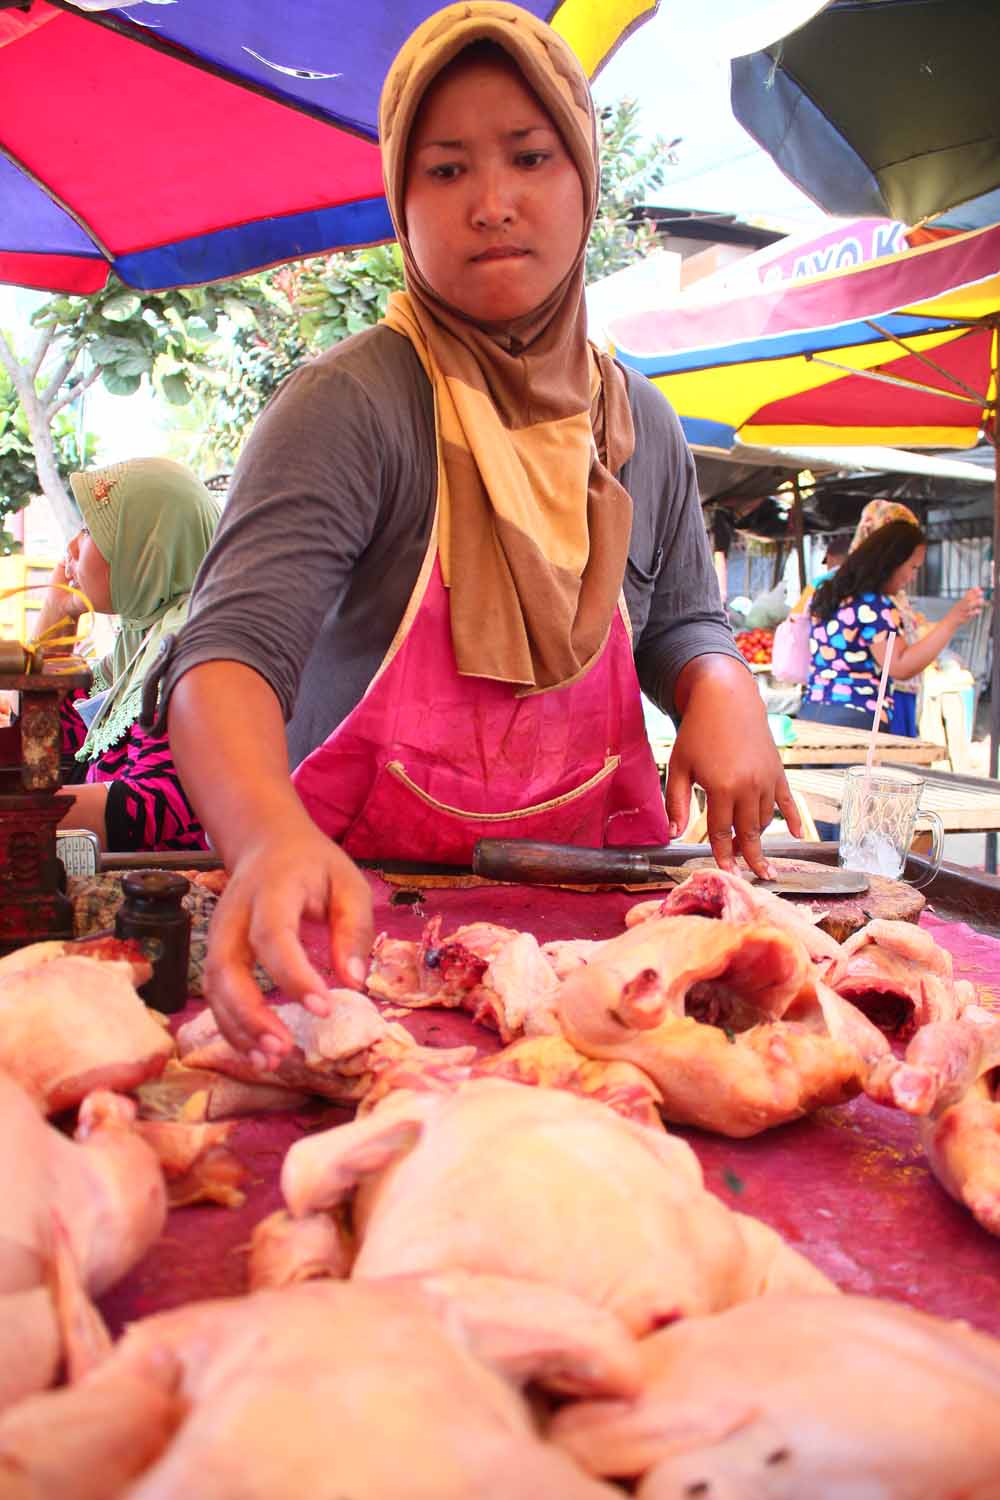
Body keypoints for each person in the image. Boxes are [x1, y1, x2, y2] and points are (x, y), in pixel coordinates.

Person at [158, 1, 801, 1064]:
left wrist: (720, 686)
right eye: (445, 170)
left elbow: (683, 619)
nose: (492, 203)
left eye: (529, 156)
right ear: (399, 203)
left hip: (607, 966)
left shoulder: (639, 420)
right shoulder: (353, 404)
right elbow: (226, 655)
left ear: (583, 181)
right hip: (365, 949)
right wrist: (266, 833)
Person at [32, 457, 220, 851]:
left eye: (89, 530)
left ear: (146, 547)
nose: (71, 548)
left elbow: (158, 802)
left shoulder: (191, 651)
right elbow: (50, 739)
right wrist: (59, 611)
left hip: (161, 893)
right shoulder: (140, 644)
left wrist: (22, 817)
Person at [801, 520, 982, 731]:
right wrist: (953, 620)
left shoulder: (830, 594)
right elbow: (899, 665)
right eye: (912, 567)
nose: (913, 577)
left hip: (812, 712)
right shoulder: (873, 605)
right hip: (854, 719)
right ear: (892, 562)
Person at [848, 500, 924, 736]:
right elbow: (898, 664)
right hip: (873, 701)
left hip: (897, 696)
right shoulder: (863, 594)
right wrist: (954, 620)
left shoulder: (892, 591)